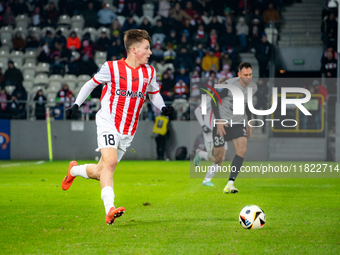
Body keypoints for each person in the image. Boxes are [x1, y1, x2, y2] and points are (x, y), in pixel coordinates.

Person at [61, 29, 174, 225]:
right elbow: (90, 84)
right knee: (111, 163)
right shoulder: (111, 67)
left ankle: (74, 171)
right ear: (134, 49)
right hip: (108, 122)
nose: (150, 52)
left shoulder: (150, 72)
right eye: (146, 48)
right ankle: (109, 209)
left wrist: (163, 106)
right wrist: (76, 104)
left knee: (101, 171)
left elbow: (153, 93)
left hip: (128, 130)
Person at [211, 62, 257, 193]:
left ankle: (230, 183)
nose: (248, 77)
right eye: (245, 75)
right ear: (239, 75)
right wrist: (218, 120)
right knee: (219, 158)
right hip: (223, 124)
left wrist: (250, 122)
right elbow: (214, 99)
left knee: (242, 149)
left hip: (238, 123)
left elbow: (247, 105)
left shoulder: (251, 88)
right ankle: (208, 152)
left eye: (250, 75)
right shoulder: (229, 85)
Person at [193, 78, 229, 187]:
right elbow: (197, 111)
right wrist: (203, 125)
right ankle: (200, 154)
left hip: (222, 131)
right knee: (216, 158)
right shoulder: (210, 97)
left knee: (221, 158)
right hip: (211, 131)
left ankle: (207, 180)